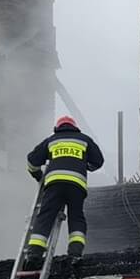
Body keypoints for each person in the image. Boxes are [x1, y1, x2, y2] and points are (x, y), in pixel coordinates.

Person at [22, 115, 104, 269]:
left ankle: (35, 252)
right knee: (76, 217)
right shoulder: (84, 140)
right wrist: (85, 166)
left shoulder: (51, 140)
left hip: (54, 185)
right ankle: (75, 253)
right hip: (76, 186)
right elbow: (98, 161)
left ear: (57, 128)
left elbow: (31, 161)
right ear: (75, 127)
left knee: (45, 216)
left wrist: (38, 176)